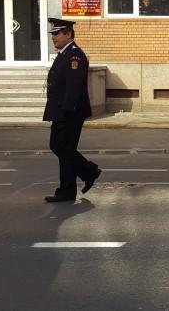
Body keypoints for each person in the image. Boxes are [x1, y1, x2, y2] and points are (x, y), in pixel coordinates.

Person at [43, 18, 101, 202]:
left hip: (69, 111)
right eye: (53, 34)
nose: (54, 37)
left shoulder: (74, 55)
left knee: (62, 148)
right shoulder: (64, 53)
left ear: (68, 34)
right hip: (61, 110)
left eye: (57, 33)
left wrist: (67, 110)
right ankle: (81, 178)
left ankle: (80, 179)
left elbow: (74, 87)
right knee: (62, 149)